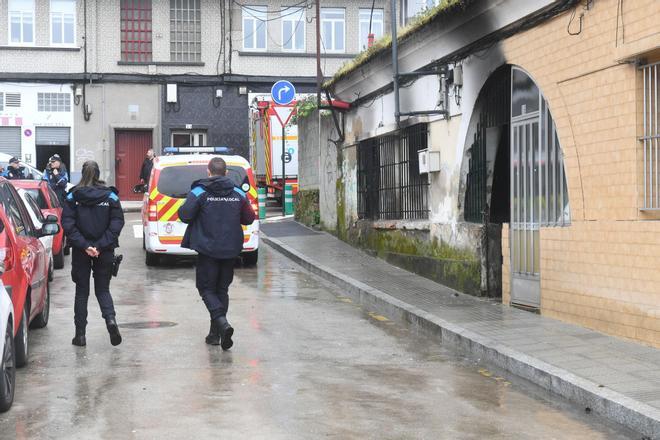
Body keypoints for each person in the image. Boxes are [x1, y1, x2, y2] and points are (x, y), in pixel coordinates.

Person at [178, 157, 255, 350]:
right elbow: (249, 218)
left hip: (207, 250)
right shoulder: (238, 192)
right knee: (222, 290)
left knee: (206, 289)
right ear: (226, 173)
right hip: (230, 250)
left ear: (208, 172)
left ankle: (222, 323)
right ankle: (215, 335)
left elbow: (185, 215)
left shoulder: (200, 191)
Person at [62, 160, 125, 347]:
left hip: (81, 252)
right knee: (103, 290)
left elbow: (67, 224)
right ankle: (111, 322)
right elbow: (117, 223)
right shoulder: (111, 196)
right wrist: (99, 245)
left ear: (82, 173)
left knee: (82, 292)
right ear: (98, 174)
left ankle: (80, 335)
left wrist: (85, 246)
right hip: (104, 251)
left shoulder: (73, 196)